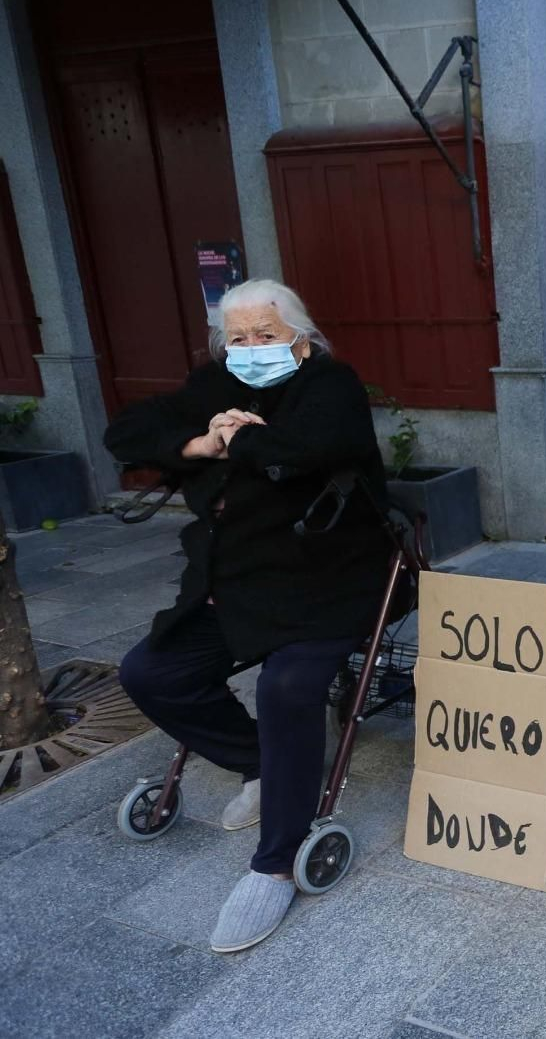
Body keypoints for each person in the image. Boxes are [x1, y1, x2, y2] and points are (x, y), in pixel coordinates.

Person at [105, 279, 390, 953]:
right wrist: (202, 445)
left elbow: (309, 449)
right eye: (239, 337)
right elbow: (128, 432)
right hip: (233, 583)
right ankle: (261, 764)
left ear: (301, 335)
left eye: (267, 334)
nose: (252, 348)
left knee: (287, 686)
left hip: (326, 580)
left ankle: (276, 861)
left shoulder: (331, 382)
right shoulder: (216, 382)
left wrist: (242, 441)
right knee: (150, 671)